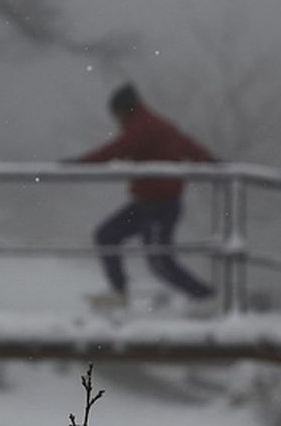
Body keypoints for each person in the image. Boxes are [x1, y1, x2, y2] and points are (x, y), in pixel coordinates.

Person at [72, 83, 218, 311]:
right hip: (145, 204)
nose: (115, 119)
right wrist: (213, 162)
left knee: (159, 260)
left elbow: (116, 150)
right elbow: (188, 145)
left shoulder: (143, 127)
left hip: (161, 206)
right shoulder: (156, 124)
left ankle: (206, 297)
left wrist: (79, 163)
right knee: (107, 235)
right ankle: (119, 293)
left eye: (115, 114)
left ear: (123, 109)